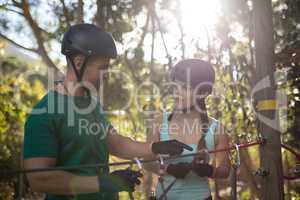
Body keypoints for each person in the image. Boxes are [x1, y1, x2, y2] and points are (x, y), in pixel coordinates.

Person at [23, 24, 191, 200]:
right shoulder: (45, 113)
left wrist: (155, 148)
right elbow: (39, 179)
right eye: (102, 68)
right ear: (79, 62)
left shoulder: (91, 104)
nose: (107, 74)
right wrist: (103, 182)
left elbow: (115, 142)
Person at [145, 59, 231, 200]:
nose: (177, 93)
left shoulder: (217, 129)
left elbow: (225, 171)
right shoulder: (160, 122)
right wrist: (168, 169)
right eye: (175, 87)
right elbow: (147, 161)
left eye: (185, 88)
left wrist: (209, 170)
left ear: (203, 93)